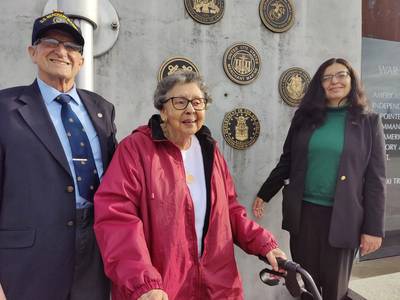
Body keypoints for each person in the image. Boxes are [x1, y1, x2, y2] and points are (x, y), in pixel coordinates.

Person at [94, 70, 286, 300]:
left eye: (197, 102)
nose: (190, 109)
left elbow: (230, 212)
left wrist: (264, 244)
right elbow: (117, 219)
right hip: (161, 289)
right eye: (180, 102)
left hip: (217, 286)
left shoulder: (209, 150)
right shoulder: (135, 150)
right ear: (163, 110)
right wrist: (143, 281)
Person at [0, 10, 117, 300]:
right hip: (27, 266)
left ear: (81, 59)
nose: (61, 51)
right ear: (33, 52)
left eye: (72, 47)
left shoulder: (102, 109)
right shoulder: (5, 109)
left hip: (95, 260)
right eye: (50, 41)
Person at [252, 58, 386, 300]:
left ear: (351, 80)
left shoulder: (369, 122)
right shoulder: (304, 117)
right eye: (327, 77)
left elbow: (376, 180)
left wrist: (373, 229)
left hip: (344, 217)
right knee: (304, 284)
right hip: (304, 216)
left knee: (335, 290)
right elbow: (288, 161)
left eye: (341, 75)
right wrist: (265, 192)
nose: (334, 81)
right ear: (319, 84)